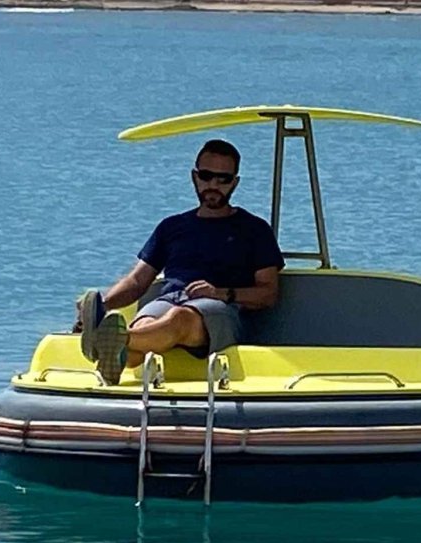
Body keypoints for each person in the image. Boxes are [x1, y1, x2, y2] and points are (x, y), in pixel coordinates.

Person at [74, 139, 284, 384]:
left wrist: (220, 293)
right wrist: (102, 305)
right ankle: (118, 350)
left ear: (235, 182)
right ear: (195, 177)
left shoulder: (254, 230)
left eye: (223, 179)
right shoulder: (172, 227)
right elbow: (137, 280)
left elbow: (268, 293)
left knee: (178, 319)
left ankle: (109, 342)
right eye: (206, 176)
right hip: (169, 299)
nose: (213, 185)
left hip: (220, 309)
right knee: (145, 322)